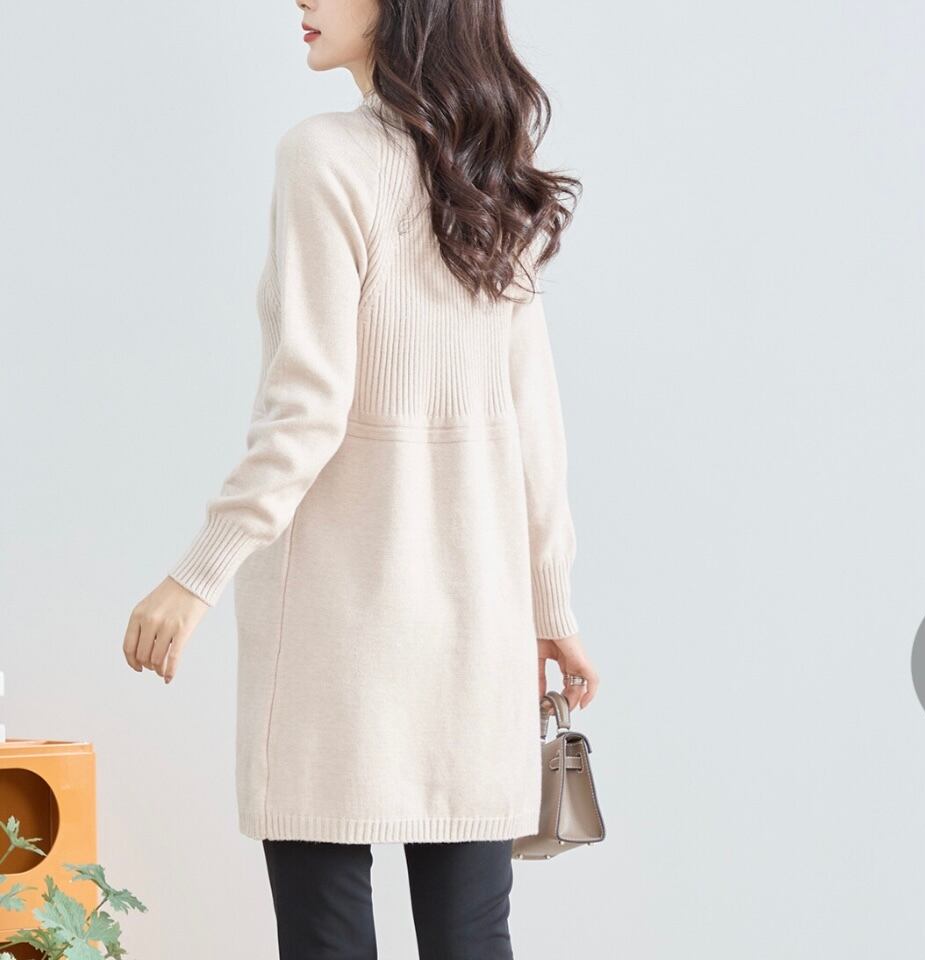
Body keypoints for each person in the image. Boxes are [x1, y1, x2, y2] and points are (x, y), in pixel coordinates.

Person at [122, 0, 600, 956]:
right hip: (478, 622)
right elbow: (535, 424)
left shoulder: (324, 156)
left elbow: (308, 408)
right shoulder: (491, 173)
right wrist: (550, 607)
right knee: (472, 938)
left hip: (332, 633)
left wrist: (196, 574)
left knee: (326, 936)